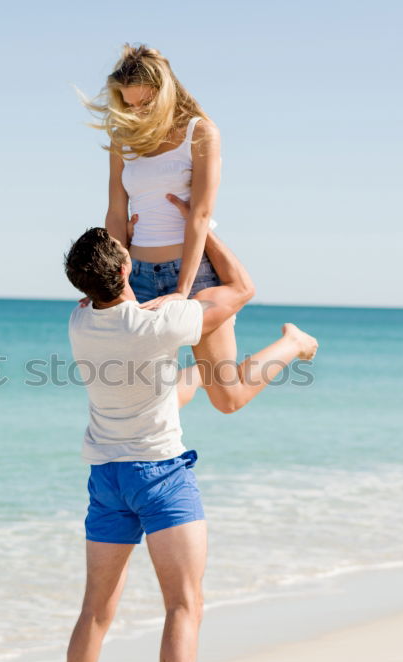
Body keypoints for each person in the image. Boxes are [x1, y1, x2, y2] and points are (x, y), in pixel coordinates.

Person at [52, 223, 317, 662]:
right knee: (183, 606)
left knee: (95, 613)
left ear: (83, 288)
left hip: (107, 478)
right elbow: (242, 290)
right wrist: (205, 230)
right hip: (160, 476)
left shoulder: (80, 322)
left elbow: (119, 302)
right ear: (127, 270)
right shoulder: (162, 323)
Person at [84, 43, 309, 413]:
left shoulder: (200, 133)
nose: (136, 111)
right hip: (136, 276)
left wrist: (183, 291)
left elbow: (200, 216)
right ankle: (198, 376)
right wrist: (109, 282)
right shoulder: (122, 140)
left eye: (144, 103)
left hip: (196, 275)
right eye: (129, 104)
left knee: (227, 398)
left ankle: (294, 342)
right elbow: (115, 213)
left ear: (165, 92)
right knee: (145, 401)